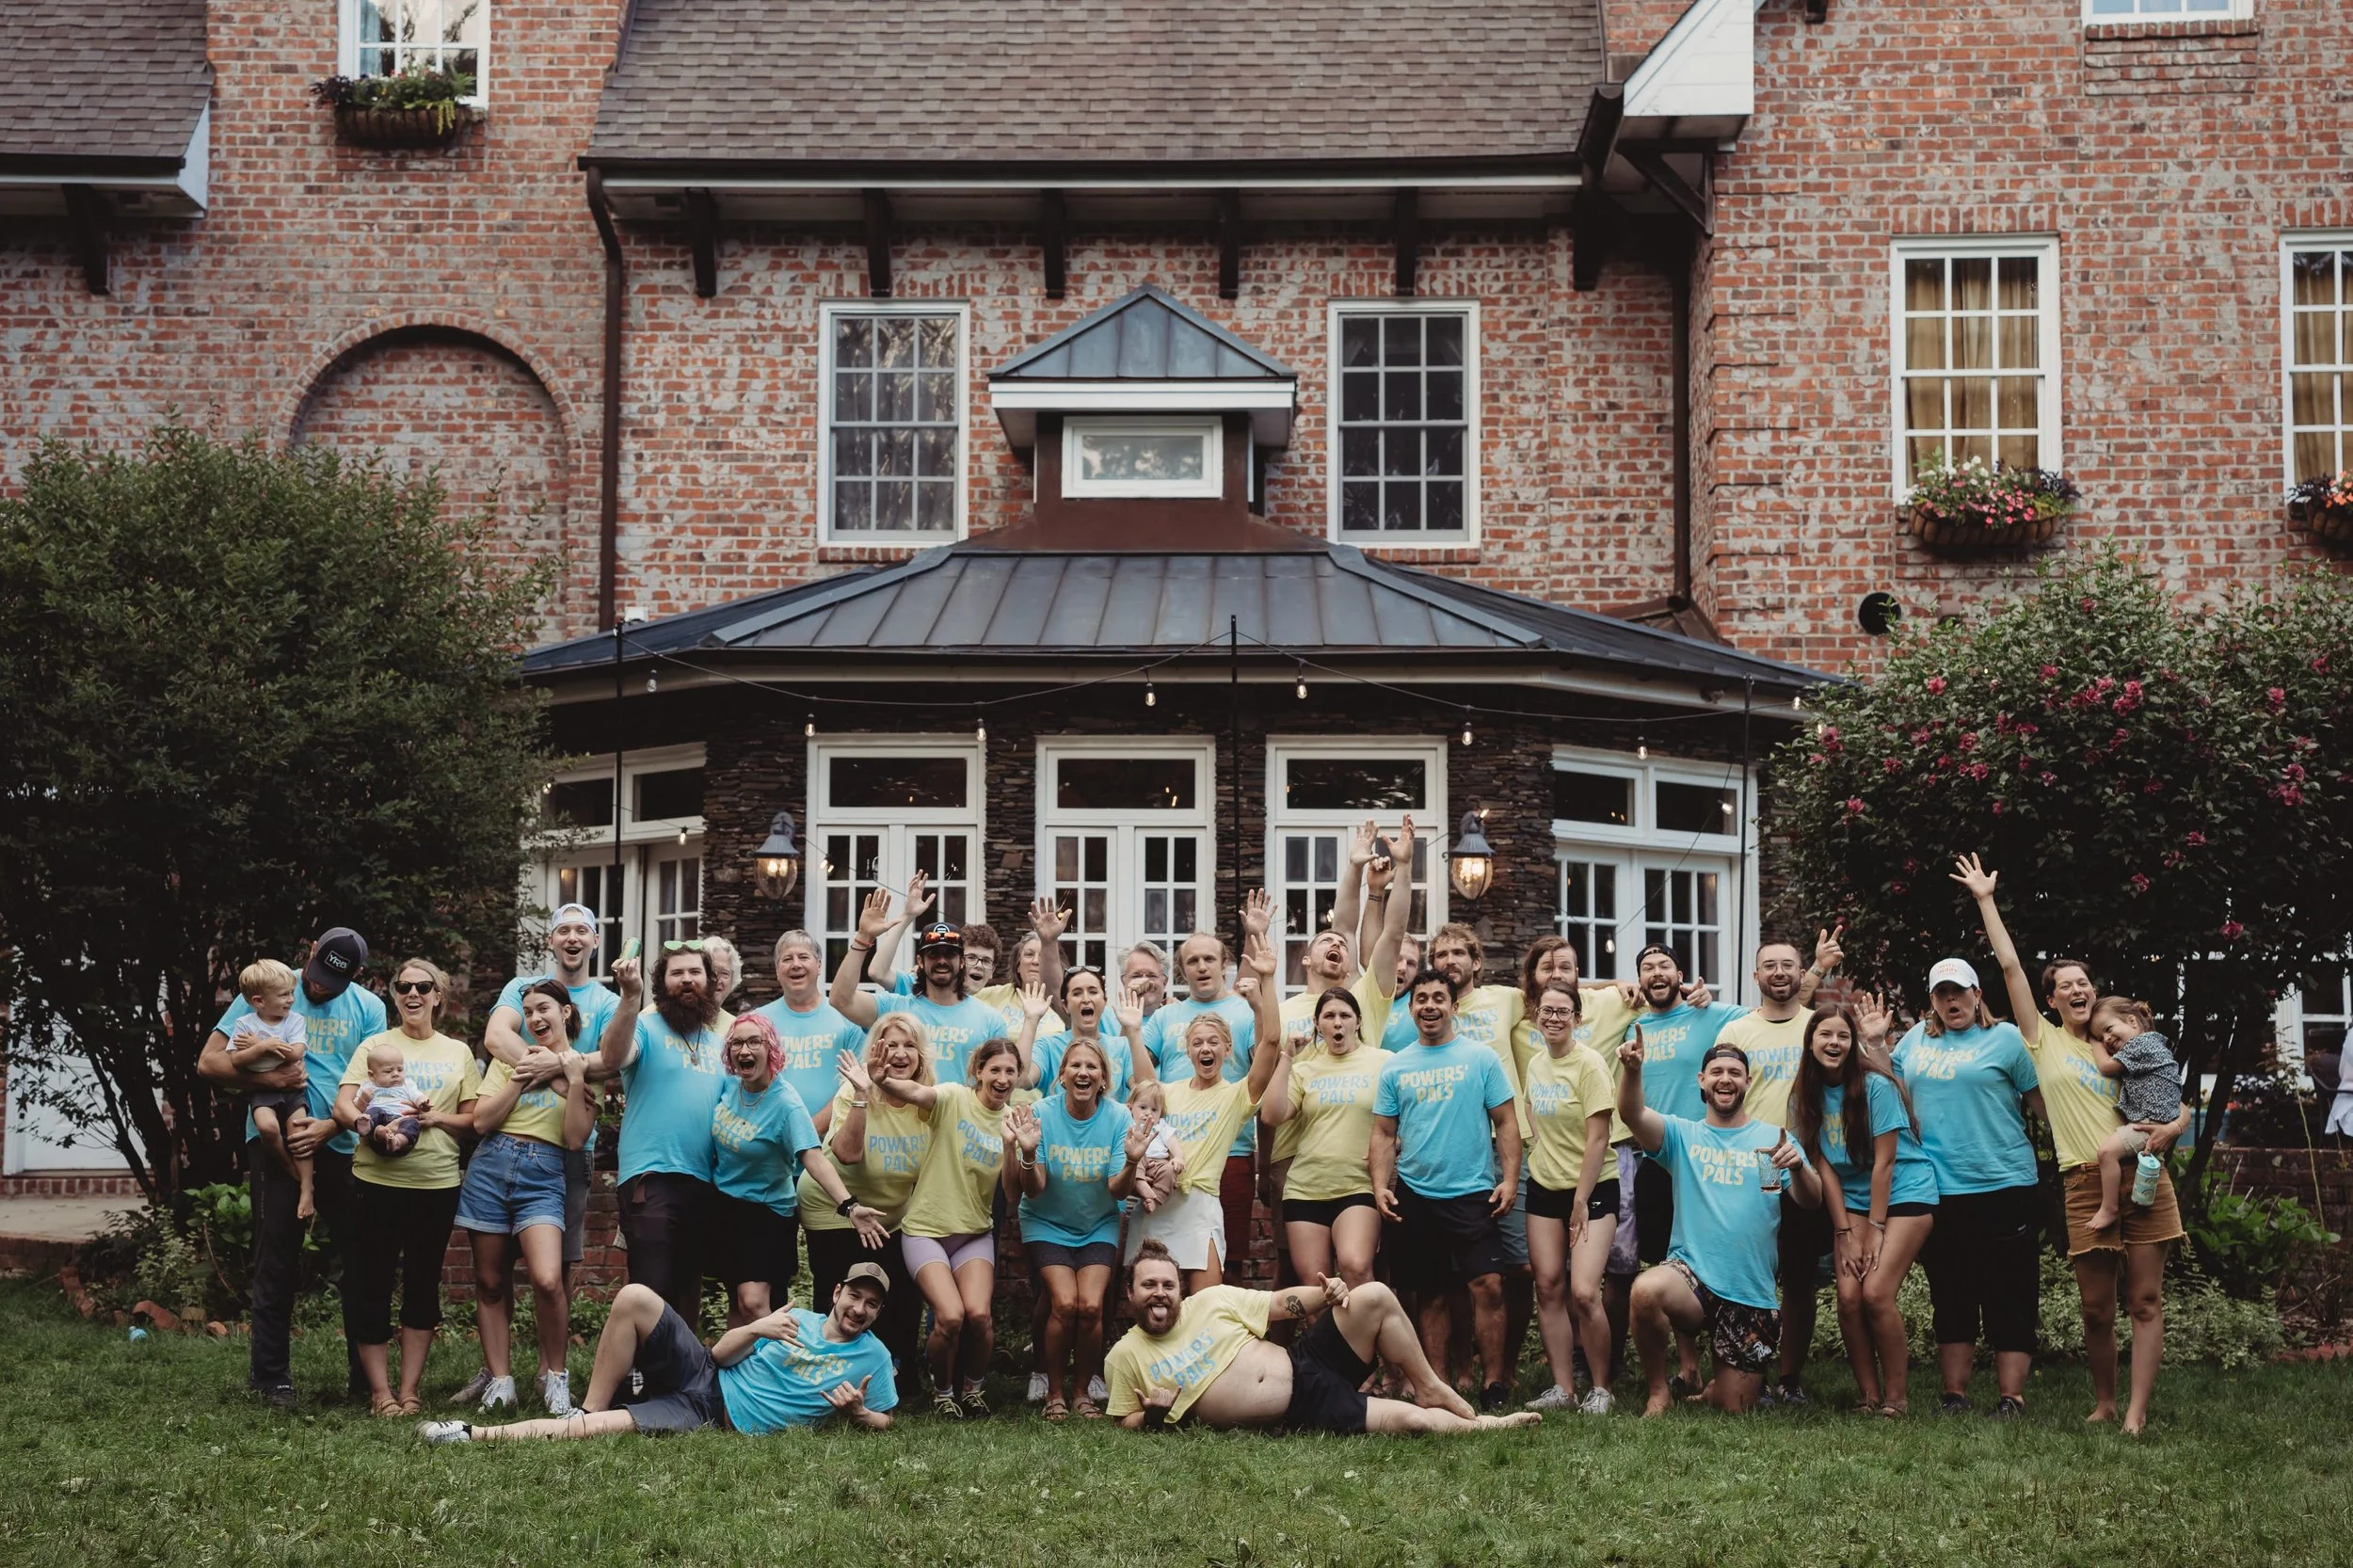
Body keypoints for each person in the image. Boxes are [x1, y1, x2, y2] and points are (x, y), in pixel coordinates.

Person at [1958, 855, 2191, 1433]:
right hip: (2085, 1180)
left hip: (2145, 1172)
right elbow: (2011, 968)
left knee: (2144, 1302)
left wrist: (2179, 1123)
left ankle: (2135, 1414)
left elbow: (2171, 1093)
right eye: (2064, 986)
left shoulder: (2123, 1043)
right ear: (2053, 1000)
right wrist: (1987, 900)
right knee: (2096, 1308)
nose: (2076, 989)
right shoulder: (2042, 1041)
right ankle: (2105, 1401)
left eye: (2083, 982)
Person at [199, 926, 384, 1409]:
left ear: (358, 975)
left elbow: (376, 1083)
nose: (319, 988)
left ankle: (365, 1379)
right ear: (311, 952)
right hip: (274, 1142)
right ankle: (270, 1379)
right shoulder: (276, 985)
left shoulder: (368, 1008)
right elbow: (209, 1063)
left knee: (362, 1259)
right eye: (318, 975)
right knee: (275, 1258)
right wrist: (273, 1076)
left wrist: (329, 1126)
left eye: (334, 983)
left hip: (342, 1145)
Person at [421, 1266, 899, 1443]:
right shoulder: (799, 1319)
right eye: (854, 1296)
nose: (860, 1309)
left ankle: (471, 1434)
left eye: (872, 1303)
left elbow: (886, 1421)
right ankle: (588, 1405)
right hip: (707, 1373)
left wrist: (859, 1413)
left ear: (878, 1311)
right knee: (634, 1296)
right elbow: (722, 1356)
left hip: (709, 1413)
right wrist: (757, 1326)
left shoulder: (872, 1358)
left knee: (592, 1433)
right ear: (836, 1292)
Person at [1105, 1240, 1539, 1433]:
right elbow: (1124, 1420)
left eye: (1167, 1285)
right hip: (1304, 1408)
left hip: (1304, 1362)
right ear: (1130, 1293)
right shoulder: (1126, 1355)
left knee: (1373, 1295)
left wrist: (1325, 1293)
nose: (1159, 1293)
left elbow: (1279, 1303)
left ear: (1180, 1289)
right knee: (1411, 1423)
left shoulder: (1211, 1300)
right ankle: (1486, 1425)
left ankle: (1428, 1386)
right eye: (1148, 1286)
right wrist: (1153, 1417)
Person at [455, 902, 619, 1410]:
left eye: (582, 931)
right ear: (550, 940)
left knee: (554, 1276)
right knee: (491, 1274)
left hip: (559, 1162)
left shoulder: (608, 1003)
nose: (572, 938)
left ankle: (553, 1375)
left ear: (595, 940)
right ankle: (499, 1375)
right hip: (495, 1159)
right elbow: (494, 1041)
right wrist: (546, 1069)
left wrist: (568, 1074)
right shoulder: (520, 993)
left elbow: (610, 1062)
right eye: (562, 930)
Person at [1616, 1032, 1820, 1416]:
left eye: (1734, 1072)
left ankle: (1715, 1389)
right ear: (1702, 1081)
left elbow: (1812, 1199)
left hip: (1748, 1290)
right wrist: (1632, 1071)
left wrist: (1798, 1167)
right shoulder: (1683, 1136)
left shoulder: (1770, 1141)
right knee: (1645, 1291)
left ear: (1747, 1082)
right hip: (1690, 1279)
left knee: (1734, 1408)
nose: (1725, 1079)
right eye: (1716, 1072)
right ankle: (1659, 1392)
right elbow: (1632, 1114)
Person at [1891, 948, 2046, 1419]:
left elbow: (2044, 1102)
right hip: (1938, 1188)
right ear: (1932, 1001)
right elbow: (1888, 1087)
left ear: (1978, 994)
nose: (1951, 1000)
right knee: (1951, 1293)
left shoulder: (2006, 1040)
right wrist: (1876, 1043)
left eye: (1959, 991)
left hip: (2004, 1183)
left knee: (2010, 1293)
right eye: (1942, 993)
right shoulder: (1914, 1040)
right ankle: (1954, 1395)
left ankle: (2011, 1398)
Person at [332, 958, 481, 1417]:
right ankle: (381, 1394)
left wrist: (434, 1117)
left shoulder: (458, 1053)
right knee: (370, 1284)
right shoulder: (375, 1045)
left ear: (439, 995)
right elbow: (344, 1102)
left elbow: (474, 1121)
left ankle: (410, 1390)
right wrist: (367, 1129)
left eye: (423, 986)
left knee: (421, 1285)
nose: (412, 994)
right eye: (403, 987)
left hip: (435, 1186)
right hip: (375, 1182)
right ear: (394, 995)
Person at [1370, 967, 1523, 1411]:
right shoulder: (1396, 1065)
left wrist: (1509, 1179)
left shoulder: (1481, 1059)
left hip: (1474, 1192)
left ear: (1454, 1007)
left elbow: (1507, 1123)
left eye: (1439, 998)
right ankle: (1438, 1388)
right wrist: (1381, 1185)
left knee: (1489, 1286)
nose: (1430, 1006)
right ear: (1411, 1007)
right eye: (1421, 999)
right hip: (1416, 1194)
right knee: (1430, 1293)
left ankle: (1494, 1385)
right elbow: (1382, 1134)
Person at [1785, 1000, 1936, 1416]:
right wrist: (1843, 1232)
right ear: (1810, 1042)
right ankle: (1869, 1396)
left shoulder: (1876, 1086)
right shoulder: (1804, 1094)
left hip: (1904, 1189)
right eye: (1825, 1034)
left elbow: (1886, 1161)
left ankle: (1897, 1398)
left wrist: (1874, 1227)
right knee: (1849, 1297)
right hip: (1850, 1195)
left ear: (1853, 1044)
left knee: (1875, 1293)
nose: (1834, 1042)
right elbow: (1824, 1168)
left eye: (1843, 1036)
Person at [1717, 930, 1839, 1405]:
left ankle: (1789, 1379)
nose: (1780, 973)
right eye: (1770, 966)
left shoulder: (1818, 1025)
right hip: (1754, 1168)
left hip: (1806, 1165)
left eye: (1788, 965)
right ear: (1756, 976)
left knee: (1800, 1276)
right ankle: (1753, 1373)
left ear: (1800, 969)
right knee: (1752, 1275)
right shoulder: (1738, 1032)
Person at [712, 1011, 890, 1330]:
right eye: (737, 1043)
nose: (745, 1050)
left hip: (766, 1213)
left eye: (755, 1042)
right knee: (739, 1305)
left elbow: (814, 1158)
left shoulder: (785, 1104)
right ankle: (735, 1375)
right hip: (725, 1208)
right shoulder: (728, 1086)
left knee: (755, 1304)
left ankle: (778, 1369)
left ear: (771, 1050)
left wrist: (849, 1207)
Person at [1621, 943, 1748, 1393]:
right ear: (1638, 980)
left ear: (1680, 975)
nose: (1656, 974)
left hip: (1707, 1158)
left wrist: (1709, 998)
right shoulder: (1630, 1022)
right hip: (1655, 1157)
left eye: (1664, 966)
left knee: (1710, 1251)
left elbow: (1772, 1018)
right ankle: (1689, 1366)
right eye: (1646, 968)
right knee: (1669, 1258)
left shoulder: (1710, 1015)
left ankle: (1728, 1356)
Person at [1127, 928, 1284, 1290]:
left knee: (1209, 1299)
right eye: (1197, 1043)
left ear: (1227, 1051)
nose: (1205, 1049)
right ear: (1187, 1051)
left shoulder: (1234, 1095)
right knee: (1153, 1292)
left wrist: (1268, 982)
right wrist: (1135, 1033)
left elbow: (1271, 1042)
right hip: (1161, 1200)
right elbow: (1143, 1086)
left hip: (1202, 1205)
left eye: (1214, 1042)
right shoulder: (1170, 1092)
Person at [876, 1034, 1023, 1416]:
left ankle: (972, 1390)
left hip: (974, 1232)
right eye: (995, 1069)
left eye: (1011, 1071)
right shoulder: (954, 1097)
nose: (1002, 1078)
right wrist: (884, 1080)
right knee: (951, 1316)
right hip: (926, 1230)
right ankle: (943, 1393)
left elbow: (1011, 1190)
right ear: (978, 1071)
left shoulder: (1012, 1121)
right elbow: (916, 1093)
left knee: (979, 1315)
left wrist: (1013, 1147)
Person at [594, 940, 727, 1318]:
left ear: (710, 981)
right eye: (677, 973)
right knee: (651, 1287)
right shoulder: (644, 1027)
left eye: (695, 972)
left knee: (688, 1291)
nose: (687, 980)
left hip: (703, 1180)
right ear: (661, 982)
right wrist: (629, 997)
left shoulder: (719, 1045)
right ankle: (637, 1375)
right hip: (650, 1178)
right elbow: (612, 1057)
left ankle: (680, 1377)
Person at [1013, 1035, 1136, 1419]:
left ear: (1103, 1079)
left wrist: (1132, 1162)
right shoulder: (1042, 1115)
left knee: (1092, 1305)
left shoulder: (1118, 1117)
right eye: (1076, 1066)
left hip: (1098, 1222)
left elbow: (1118, 1187)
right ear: (1062, 1075)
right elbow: (1034, 1191)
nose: (1083, 1072)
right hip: (1046, 1222)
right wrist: (1029, 1154)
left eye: (1092, 1067)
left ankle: (1082, 1391)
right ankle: (1053, 1393)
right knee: (1065, 1303)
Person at [802, 1016, 936, 1369]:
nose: (900, 1054)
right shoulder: (855, 1087)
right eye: (891, 1045)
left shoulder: (929, 1100)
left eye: (909, 1046)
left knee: (901, 1294)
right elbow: (847, 1154)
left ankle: (893, 1375)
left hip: (890, 1217)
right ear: (876, 1049)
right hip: (834, 1206)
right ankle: (826, 1372)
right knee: (841, 1293)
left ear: (921, 1055)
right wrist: (862, 1094)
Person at [1519, 981, 1618, 1414]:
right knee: (1548, 1287)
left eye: (1563, 1011)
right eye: (1547, 1011)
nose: (1554, 1018)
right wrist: (1537, 1147)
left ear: (1577, 1019)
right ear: (1536, 1015)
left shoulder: (1590, 1064)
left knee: (1583, 1292)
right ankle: (1563, 1389)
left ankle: (1601, 1388)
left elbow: (1599, 1138)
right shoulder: (1537, 1063)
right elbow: (1530, 1109)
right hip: (1544, 1187)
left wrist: (1580, 1199)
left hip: (1593, 1190)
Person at [1260, 985, 1390, 1291]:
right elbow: (1272, 1115)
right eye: (1329, 1016)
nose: (1337, 1022)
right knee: (1315, 1289)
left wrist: (1396, 1143)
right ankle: (1327, 1342)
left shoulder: (1383, 1061)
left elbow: (1405, 1115)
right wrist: (1287, 1058)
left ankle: (1363, 1340)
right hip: (1305, 1189)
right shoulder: (1305, 1068)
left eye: (1345, 1015)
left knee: (1356, 1268)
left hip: (1358, 1185)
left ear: (1358, 1021)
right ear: (1317, 1024)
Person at [832, 884, 1002, 1085]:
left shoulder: (990, 1019)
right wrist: (863, 937)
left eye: (949, 954)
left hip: (960, 1117)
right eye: (933, 955)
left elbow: (998, 1084)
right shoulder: (895, 1008)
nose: (941, 961)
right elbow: (840, 999)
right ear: (920, 961)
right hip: (902, 1116)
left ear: (962, 961)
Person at [2082, 997, 2185, 1234]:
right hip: (2157, 1119)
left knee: (2107, 1153)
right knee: (2146, 1173)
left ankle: (2109, 1208)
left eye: (2108, 1030)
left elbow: (2105, 1067)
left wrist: (2093, 1043)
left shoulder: (2141, 1045)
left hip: (2148, 1123)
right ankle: (2141, 1201)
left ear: (2132, 1021)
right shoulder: (2153, 1045)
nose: (2107, 1039)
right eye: (2101, 1037)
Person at [749, 928, 867, 1134]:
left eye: (804, 957)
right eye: (787, 959)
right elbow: (747, 1083)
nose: (796, 964)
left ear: (819, 965)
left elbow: (854, 1086)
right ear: (777, 971)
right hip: (772, 1141)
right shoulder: (758, 1022)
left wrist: (808, 1131)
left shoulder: (846, 1018)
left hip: (831, 1142)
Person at [225, 959, 313, 1218]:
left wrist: (262, 1044)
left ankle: (307, 1187)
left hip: (293, 1089)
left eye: (291, 993)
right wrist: (261, 1047)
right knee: (267, 1127)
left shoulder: (294, 1021)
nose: (291, 1000)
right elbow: (236, 1060)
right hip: (263, 1090)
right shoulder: (245, 1024)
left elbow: (296, 1052)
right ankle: (288, 1167)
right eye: (284, 994)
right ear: (259, 1002)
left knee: (299, 1133)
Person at [1022, 968, 1151, 1105]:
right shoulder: (1048, 1046)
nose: (1086, 999)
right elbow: (1022, 1080)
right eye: (1077, 993)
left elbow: (1148, 1092)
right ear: (1065, 1005)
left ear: (1104, 1001)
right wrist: (1031, 1020)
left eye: (1093, 992)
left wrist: (1135, 1031)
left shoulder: (1122, 1046)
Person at [352, 1040, 431, 1155]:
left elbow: (417, 1096)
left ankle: (397, 1141)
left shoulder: (407, 1084)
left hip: (400, 1121)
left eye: (400, 1069)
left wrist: (424, 1104)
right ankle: (365, 1127)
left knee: (412, 1122)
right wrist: (363, 1099)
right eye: (388, 1071)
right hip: (377, 1130)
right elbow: (357, 1108)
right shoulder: (367, 1087)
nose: (395, 1074)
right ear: (372, 1075)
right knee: (373, 1112)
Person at [1119, 940, 1170, 1020]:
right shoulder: (1104, 1020)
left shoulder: (1176, 1019)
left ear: (1164, 982)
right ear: (1123, 981)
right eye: (1136, 976)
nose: (1144, 981)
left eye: (1151, 975)